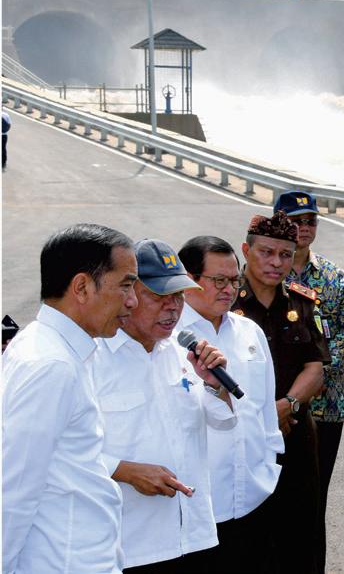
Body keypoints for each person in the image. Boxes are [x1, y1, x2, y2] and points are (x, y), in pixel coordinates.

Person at [88, 239, 236, 572]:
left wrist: (215, 385)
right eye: (158, 296)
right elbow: (60, 451)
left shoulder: (184, 351)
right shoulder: (93, 358)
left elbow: (223, 422)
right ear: (128, 294)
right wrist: (125, 471)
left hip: (194, 535)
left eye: (179, 296)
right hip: (132, 544)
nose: (172, 308)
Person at [2, 223, 138, 573]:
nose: (133, 301)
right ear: (82, 287)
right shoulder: (52, 366)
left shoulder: (54, 347)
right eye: (125, 286)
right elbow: (13, 491)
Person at [176, 235, 284, 573]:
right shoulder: (169, 338)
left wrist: (270, 462)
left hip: (253, 493)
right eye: (218, 281)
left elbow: (265, 409)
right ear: (189, 280)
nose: (229, 290)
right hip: (198, 504)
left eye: (234, 280)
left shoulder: (249, 332)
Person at [233, 211, 327, 574]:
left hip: (295, 433)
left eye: (285, 254)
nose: (276, 262)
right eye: (267, 252)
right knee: (247, 533)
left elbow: (315, 368)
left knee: (300, 529)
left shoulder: (303, 303)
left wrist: (287, 405)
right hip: (240, 436)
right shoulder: (227, 302)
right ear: (247, 251)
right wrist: (263, 416)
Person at [274, 190, 344, 571]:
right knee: (270, 500)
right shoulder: (265, 275)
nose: (304, 228)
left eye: (310, 221)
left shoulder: (333, 277)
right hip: (274, 405)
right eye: (295, 221)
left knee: (314, 498)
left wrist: (321, 367)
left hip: (325, 407)